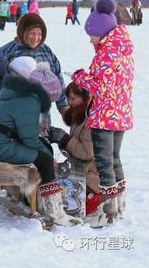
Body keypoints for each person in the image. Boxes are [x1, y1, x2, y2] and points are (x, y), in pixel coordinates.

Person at [0, 63, 82, 226]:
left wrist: (34, 129)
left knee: (42, 154)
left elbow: (14, 124)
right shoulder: (30, 101)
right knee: (44, 160)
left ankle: (40, 200)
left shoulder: (21, 95)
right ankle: (56, 212)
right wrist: (47, 157)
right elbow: (30, 140)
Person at [72, 0, 134, 227]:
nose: (90, 40)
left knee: (104, 163)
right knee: (115, 160)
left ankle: (107, 211)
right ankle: (119, 204)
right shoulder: (122, 49)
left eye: (92, 35)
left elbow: (100, 87)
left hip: (105, 115)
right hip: (121, 114)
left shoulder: (107, 53)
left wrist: (80, 76)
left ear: (102, 31)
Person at [0, 13, 69, 114]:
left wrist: (63, 107)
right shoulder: (9, 51)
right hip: (14, 114)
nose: (36, 38)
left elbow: (57, 79)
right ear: (23, 32)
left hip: (42, 116)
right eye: (32, 33)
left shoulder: (46, 51)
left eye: (39, 34)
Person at [47, 82, 100, 218]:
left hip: (89, 175)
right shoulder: (79, 115)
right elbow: (75, 146)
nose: (70, 102)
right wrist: (60, 139)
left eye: (73, 98)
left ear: (85, 97)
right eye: (68, 98)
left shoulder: (91, 120)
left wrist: (64, 139)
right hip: (79, 168)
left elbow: (87, 153)